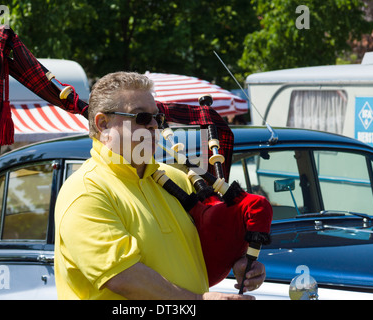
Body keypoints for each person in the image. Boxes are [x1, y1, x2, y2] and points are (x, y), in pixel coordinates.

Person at [54, 71, 266, 300]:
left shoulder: (177, 179)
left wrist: (238, 261)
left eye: (157, 117)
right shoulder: (86, 191)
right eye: (142, 117)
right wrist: (195, 301)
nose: (154, 125)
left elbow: (206, 244)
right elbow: (123, 277)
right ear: (104, 124)